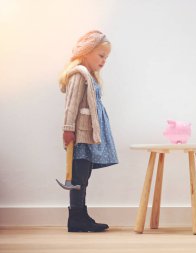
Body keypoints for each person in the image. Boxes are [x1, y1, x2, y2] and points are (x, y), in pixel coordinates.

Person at [59, 30, 118, 232]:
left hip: (87, 136)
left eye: (106, 57)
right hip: (81, 136)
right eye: (101, 55)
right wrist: (68, 129)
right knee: (78, 178)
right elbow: (71, 105)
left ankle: (81, 216)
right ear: (87, 52)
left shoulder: (90, 76)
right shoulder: (79, 75)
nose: (104, 61)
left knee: (83, 177)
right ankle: (76, 218)